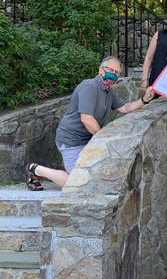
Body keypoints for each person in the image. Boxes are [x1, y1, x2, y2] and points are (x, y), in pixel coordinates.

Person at [26, 56, 155, 191]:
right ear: (101, 69)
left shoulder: (108, 92)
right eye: (110, 70)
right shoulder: (89, 87)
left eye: (117, 73)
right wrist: (102, 138)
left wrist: (144, 100)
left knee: (94, 177)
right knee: (76, 184)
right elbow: (86, 118)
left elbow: (125, 108)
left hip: (87, 140)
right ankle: (36, 169)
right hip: (71, 140)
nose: (114, 74)